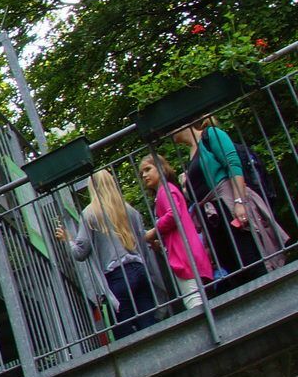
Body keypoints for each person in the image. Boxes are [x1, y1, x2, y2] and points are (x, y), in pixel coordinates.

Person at [173, 118, 288, 290]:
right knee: (234, 269)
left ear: (185, 123)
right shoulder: (191, 152)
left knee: (250, 259)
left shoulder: (210, 135)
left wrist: (239, 201)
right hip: (214, 219)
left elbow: (232, 163)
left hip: (228, 207)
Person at [54, 169, 159, 336]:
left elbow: (80, 252)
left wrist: (68, 240)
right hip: (140, 269)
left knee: (125, 332)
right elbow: (142, 238)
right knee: (150, 323)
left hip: (117, 276)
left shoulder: (90, 213)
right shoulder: (129, 209)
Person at [141, 154, 212, 308]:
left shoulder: (165, 190)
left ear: (161, 168)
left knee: (193, 301)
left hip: (183, 253)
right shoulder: (168, 190)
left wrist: (153, 232)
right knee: (199, 297)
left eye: (148, 169)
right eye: (142, 173)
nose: (144, 175)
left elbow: (173, 214)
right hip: (186, 249)